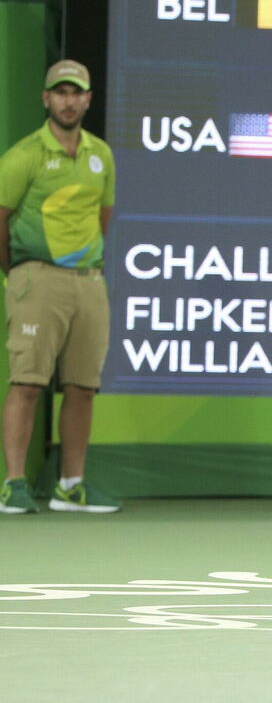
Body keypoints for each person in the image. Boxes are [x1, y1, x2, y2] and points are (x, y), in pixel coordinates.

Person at [0, 59, 119, 515]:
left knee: (82, 387)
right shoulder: (24, 155)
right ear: (46, 99)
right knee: (28, 383)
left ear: (88, 99)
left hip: (88, 281)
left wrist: (81, 263)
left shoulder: (100, 155)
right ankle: (13, 484)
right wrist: (18, 271)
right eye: (61, 93)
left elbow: (102, 218)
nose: (69, 101)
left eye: (76, 93)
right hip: (37, 278)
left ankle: (71, 486)